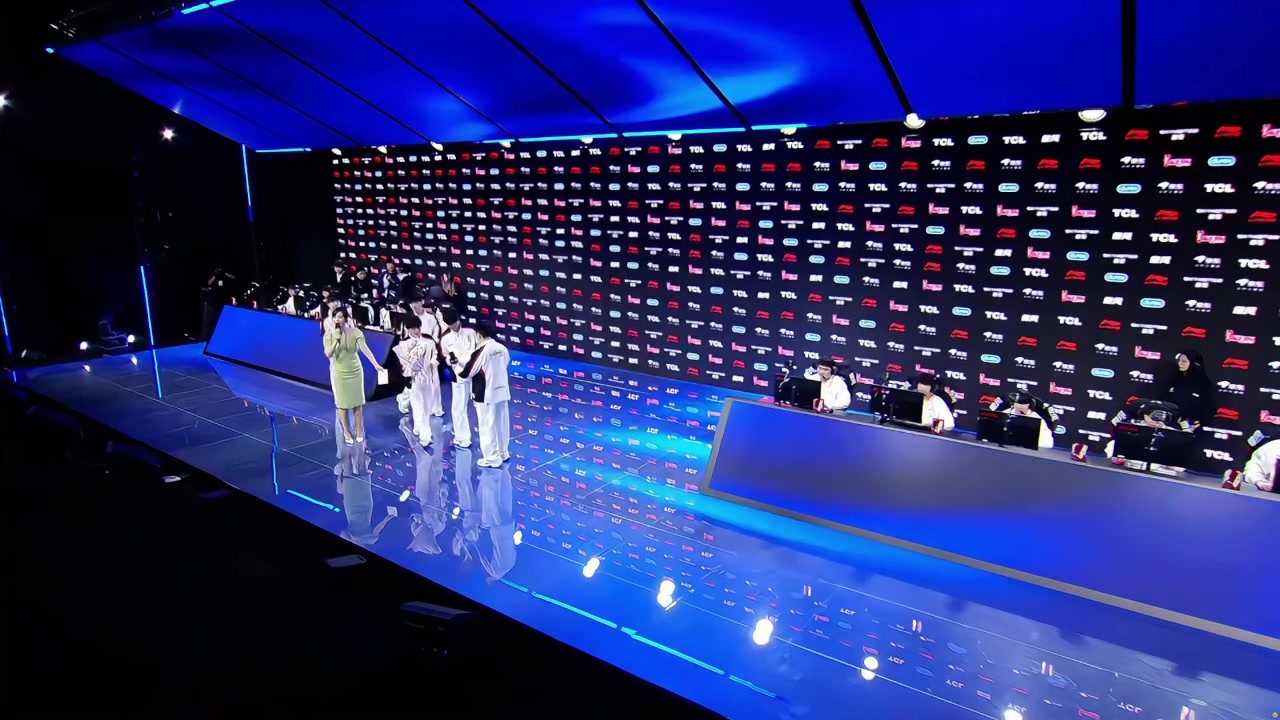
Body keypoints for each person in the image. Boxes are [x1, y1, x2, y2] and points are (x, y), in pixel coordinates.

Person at [323, 307, 384, 445]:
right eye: (335, 317)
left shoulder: (356, 332)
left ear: (345, 318)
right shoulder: (329, 335)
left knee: (357, 403)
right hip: (340, 371)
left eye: (340, 317)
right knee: (343, 404)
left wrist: (375, 364)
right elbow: (328, 354)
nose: (337, 319)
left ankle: (359, 430)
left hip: (355, 370)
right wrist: (336, 340)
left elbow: (365, 349)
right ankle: (346, 432)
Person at [452, 323, 510, 468]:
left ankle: (491, 458)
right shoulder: (502, 348)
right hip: (502, 391)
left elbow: (468, 373)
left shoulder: (482, 350)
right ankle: (503, 453)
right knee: (501, 423)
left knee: (487, 425)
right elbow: (505, 364)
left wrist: (455, 367)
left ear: (479, 335)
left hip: (485, 393)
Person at [395, 315, 439, 447]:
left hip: (429, 377)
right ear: (408, 329)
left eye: (418, 327)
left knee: (426, 406)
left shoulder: (429, 341)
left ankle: (421, 430)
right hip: (414, 379)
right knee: (418, 405)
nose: (417, 330)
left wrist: (433, 361)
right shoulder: (404, 344)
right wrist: (408, 375)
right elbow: (402, 365)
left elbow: (435, 354)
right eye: (414, 328)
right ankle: (424, 433)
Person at [439, 306, 478, 448]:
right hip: (458, 375)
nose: (453, 327)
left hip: (474, 374)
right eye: (450, 325)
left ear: (458, 320)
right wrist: (451, 361)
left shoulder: (471, 333)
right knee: (458, 407)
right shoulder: (445, 339)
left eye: (454, 323)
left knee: (480, 406)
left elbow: (477, 352)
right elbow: (445, 357)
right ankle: (462, 437)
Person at [1154, 349, 1216, 432]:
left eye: (1184, 361)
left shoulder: (1204, 385)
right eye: (1179, 361)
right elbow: (1162, 400)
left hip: (1191, 429)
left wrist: (1202, 422)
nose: (1180, 363)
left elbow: (1209, 407)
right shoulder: (1173, 380)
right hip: (1168, 426)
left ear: (1194, 363)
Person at [991, 391, 1055, 449]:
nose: (1019, 407)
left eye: (1023, 405)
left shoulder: (1038, 419)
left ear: (1029, 405)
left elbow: (1048, 443)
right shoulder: (1006, 413)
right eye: (1017, 404)